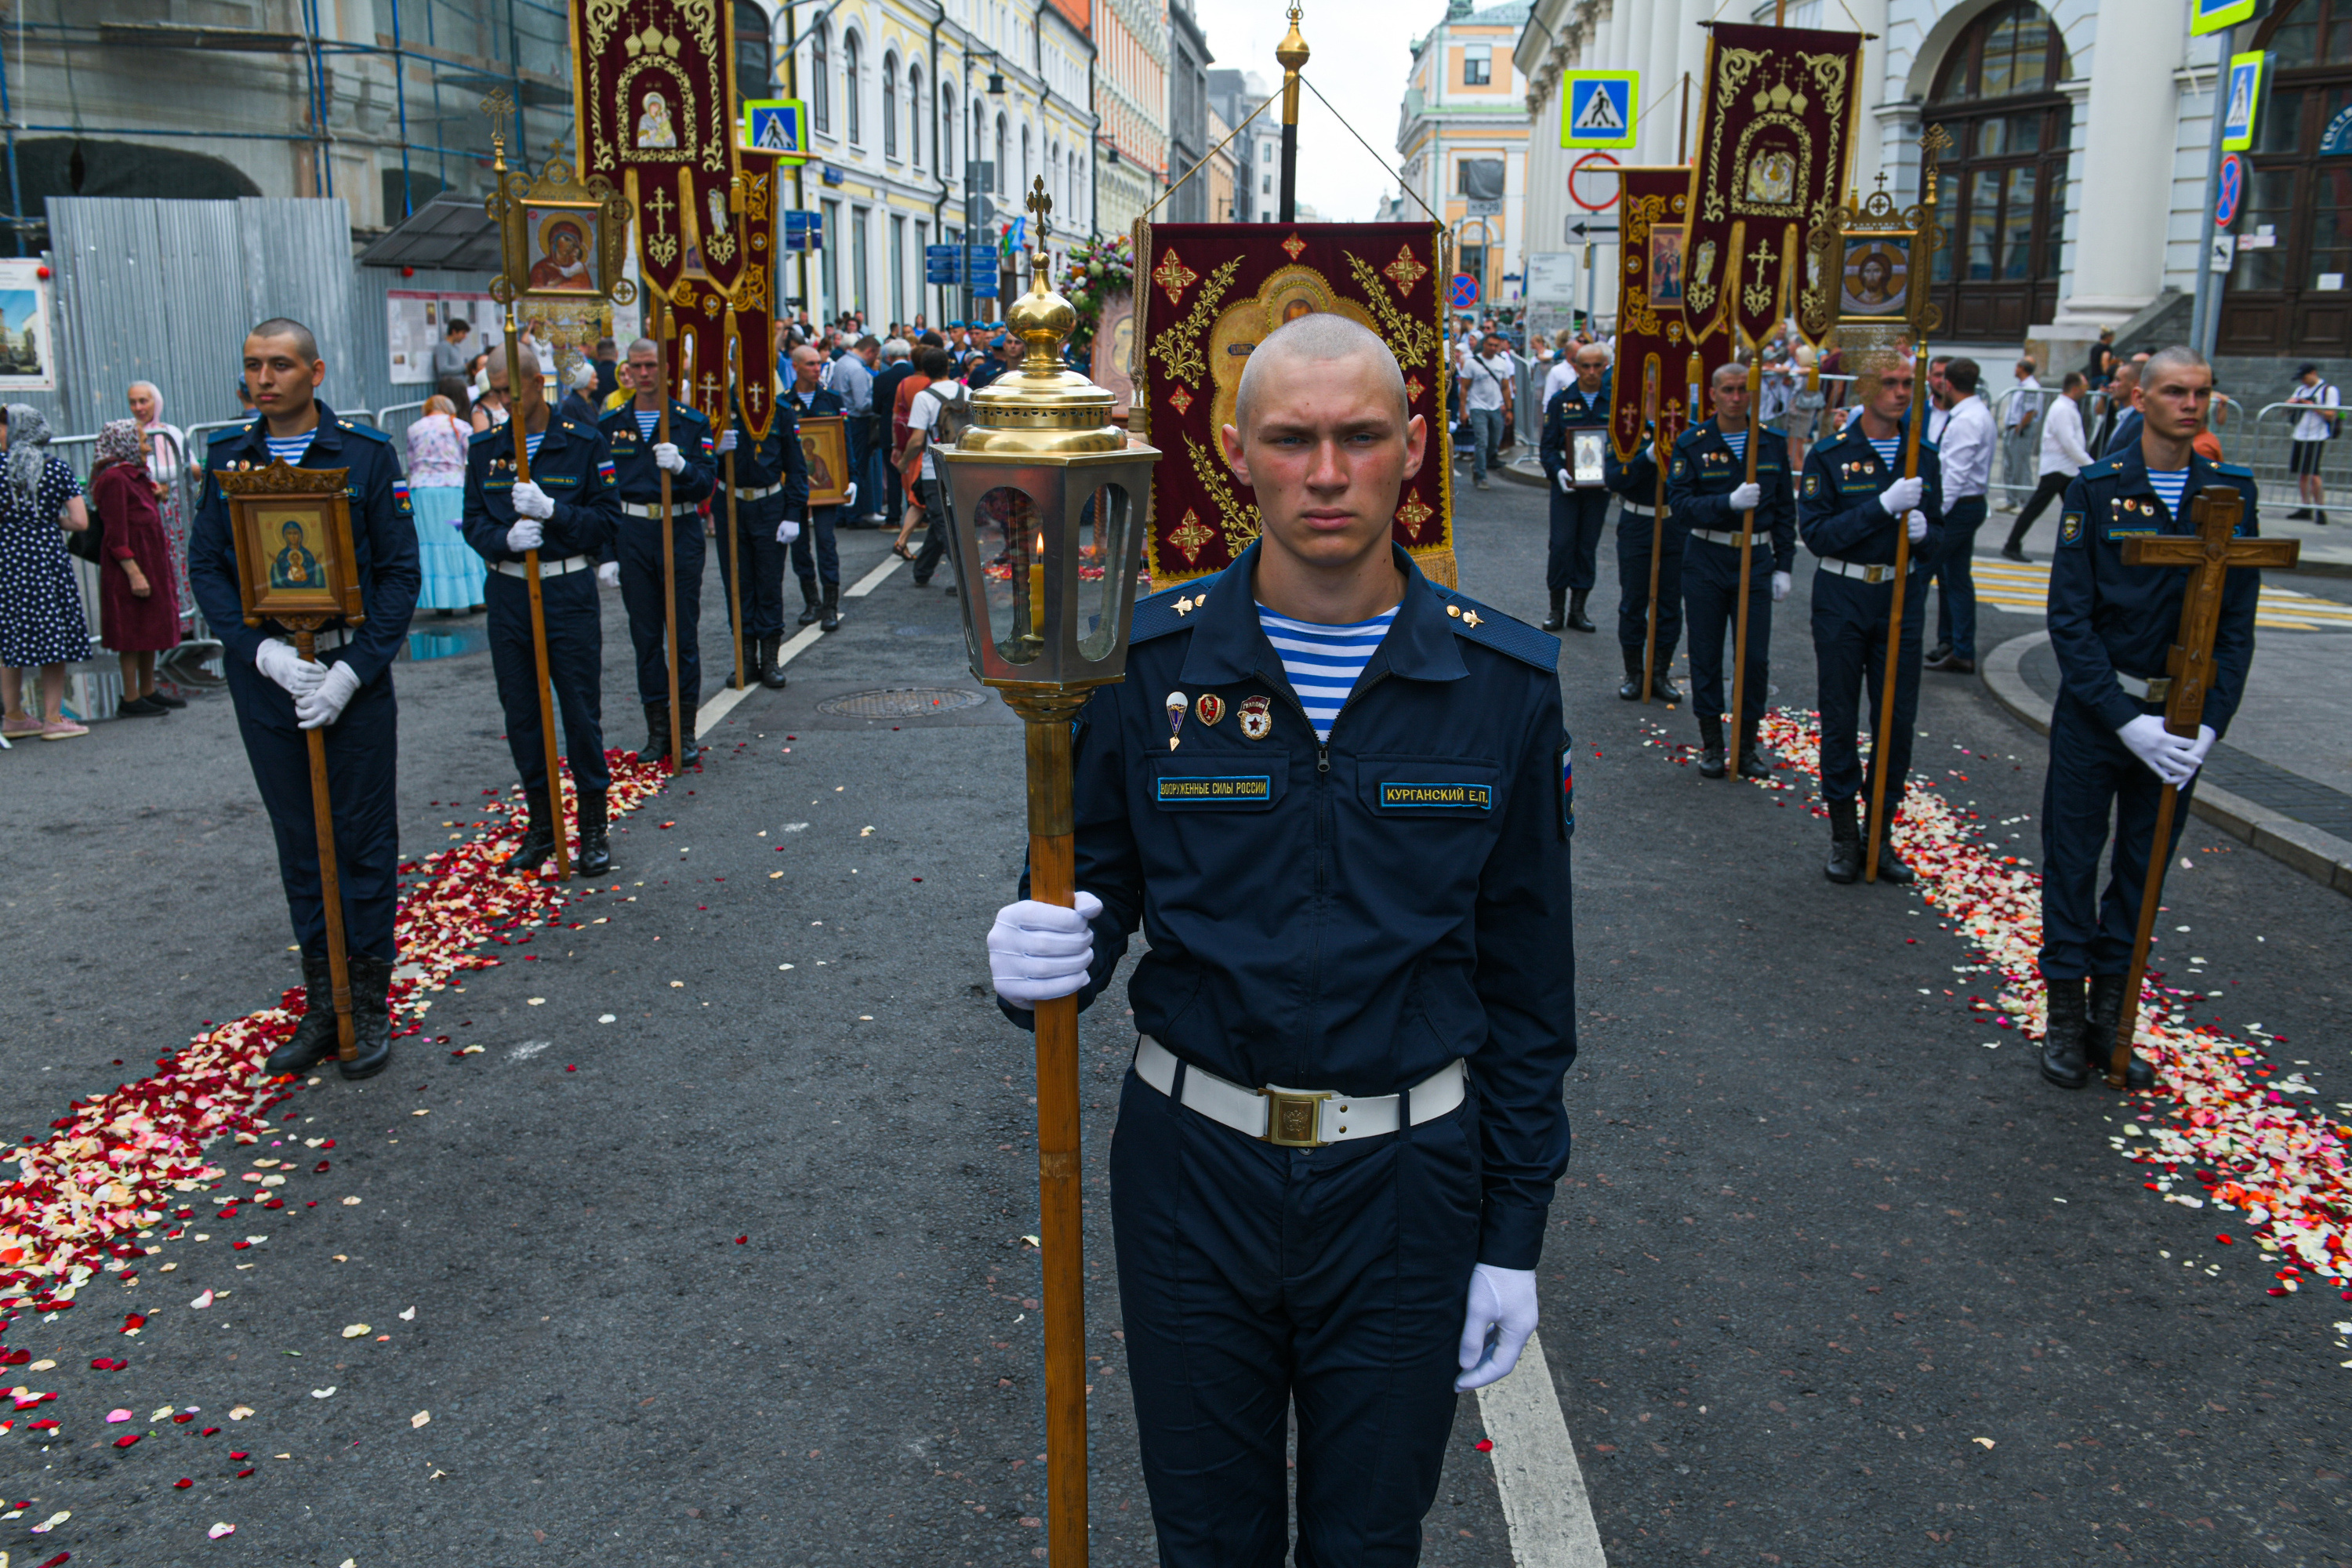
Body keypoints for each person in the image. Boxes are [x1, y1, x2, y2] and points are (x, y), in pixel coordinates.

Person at [983, 313, 1573, 1566]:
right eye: (1293, 438)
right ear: (1230, 450)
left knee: (1370, 1542)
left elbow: (1528, 990)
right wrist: (1039, 952)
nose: (1326, 472)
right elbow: (1090, 885)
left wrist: (1513, 1235)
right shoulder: (1137, 668)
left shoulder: (1501, 688)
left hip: (1409, 1183)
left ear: (1415, 447)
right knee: (1209, 1539)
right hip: (1194, 1171)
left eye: (1360, 437)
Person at [189, 318, 419, 1080]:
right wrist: (260, 652)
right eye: (254, 364)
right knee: (302, 843)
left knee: (362, 839)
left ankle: (369, 999)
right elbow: (210, 568)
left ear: (315, 372)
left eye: (280, 364)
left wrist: (353, 669)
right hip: (270, 684)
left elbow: (397, 574)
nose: (265, 377)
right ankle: (324, 1004)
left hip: (351, 681)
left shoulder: (365, 456)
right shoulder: (228, 459)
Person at [2035, 346, 2259, 1093]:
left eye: (2201, 392)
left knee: (2142, 868)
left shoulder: (2230, 493)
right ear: (2142, 401)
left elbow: (2235, 627)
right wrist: (2125, 719)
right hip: (2102, 714)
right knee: (2073, 861)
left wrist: (2208, 728)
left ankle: (2112, 1017)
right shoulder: (2098, 490)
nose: (2190, 404)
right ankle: (2065, 1017)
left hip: (2182, 721)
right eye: (2174, 392)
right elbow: (2070, 621)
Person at [460, 342, 622, 877]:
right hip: (509, 593)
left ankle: (593, 827)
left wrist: (555, 512)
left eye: (511, 389)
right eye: (495, 393)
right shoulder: (485, 449)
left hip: (565, 589)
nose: (504, 402)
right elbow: (472, 523)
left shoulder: (582, 442)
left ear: (537, 383)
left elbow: (605, 520)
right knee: (523, 716)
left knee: (579, 712)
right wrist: (504, 538)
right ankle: (543, 826)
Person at [1798, 349, 1945, 884]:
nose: (1902, 392)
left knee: (1895, 723)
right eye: (1889, 382)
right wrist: (1881, 507)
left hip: (1900, 599)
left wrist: (1929, 536)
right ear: (1864, 389)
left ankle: (1879, 837)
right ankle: (1843, 835)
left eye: (1909, 382)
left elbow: (1943, 541)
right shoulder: (1831, 453)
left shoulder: (1921, 455)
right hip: (1843, 593)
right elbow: (1816, 536)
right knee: (1840, 717)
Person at [1668, 361, 1796, 778]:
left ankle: (1746, 746)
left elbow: (1785, 514)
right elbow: (1681, 508)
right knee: (1706, 655)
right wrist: (1727, 504)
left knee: (1753, 659)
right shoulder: (1693, 443)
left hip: (1756, 562)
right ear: (1714, 394)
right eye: (1728, 390)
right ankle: (1712, 744)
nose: (1736, 397)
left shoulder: (1771, 444)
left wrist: (1785, 567)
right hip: (1707, 558)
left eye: (1743, 390)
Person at [599, 336, 717, 767]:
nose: (644, 374)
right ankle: (657, 732)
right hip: (632, 532)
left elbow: (707, 483)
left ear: (668, 370)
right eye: (637, 366)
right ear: (627, 371)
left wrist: (683, 468)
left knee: (682, 635)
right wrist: (607, 552)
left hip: (679, 528)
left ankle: (685, 731)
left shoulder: (691, 422)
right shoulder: (610, 423)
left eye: (652, 365)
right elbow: (601, 492)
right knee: (645, 638)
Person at [0, 405, 94, 742]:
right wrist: (48, 521)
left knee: (10, 635)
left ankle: (13, 716)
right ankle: (53, 717)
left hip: (8, 562)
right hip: (46, 561)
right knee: (53, 634)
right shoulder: (55, 469)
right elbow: (81, 521)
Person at [711, 376, 808, 689]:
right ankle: (744, 660)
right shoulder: (717, 408)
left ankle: (769, 660)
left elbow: (796, 467)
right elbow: (697, 467)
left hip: (769, 504)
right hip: (731, 503)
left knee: (768, 582)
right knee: (737, 584)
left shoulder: (779, 410)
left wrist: (793, 514)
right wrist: (713, 451)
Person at [89, 419, 182, 717]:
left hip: (150, 559)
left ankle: (147, 690)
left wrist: (155, 495)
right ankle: (130, 697)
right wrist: (134, 572)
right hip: (131, 564)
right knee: (131, 631)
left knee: (150, 626)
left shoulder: (135, 475)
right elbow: (116, 532)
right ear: (124, 442)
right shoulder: (114, 479)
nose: (146, 447)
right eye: (142, 441)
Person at [1924, 358, 1994, 676]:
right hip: (1968, 504)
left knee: (1923, 569)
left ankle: (1951, 646)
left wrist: (1934, 516)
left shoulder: (1966, 419)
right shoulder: (1974, 413)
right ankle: (1956, 645)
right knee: (1956, 578)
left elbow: (1954, 474)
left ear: (1947, 384)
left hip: (1959, 507)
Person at [1606, 419, 1685, 703]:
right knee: (1634, 601)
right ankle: (1634, 674)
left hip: (1674, 522)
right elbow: (1614, 479)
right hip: (1638, 522)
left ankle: (1660, 673)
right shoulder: (1626, 425)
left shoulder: (1685, 426)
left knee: (1670, 603)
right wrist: (1646, 458)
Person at [1537, 343, 1612, 631]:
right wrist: (1558, 473)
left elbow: (1623, 447)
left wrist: (1614, 473)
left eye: (1598, 366)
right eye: (1586, 366)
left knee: (1587, 546)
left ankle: (1578, 610)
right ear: (1575, 367)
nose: (1592, 372)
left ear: (1605, 367)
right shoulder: (1561, 401)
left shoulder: (1616, 402)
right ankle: (1556, 609)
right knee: (1561, 544)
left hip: (1599, 489)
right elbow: (1548, 448)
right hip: (1567, 487)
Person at [784, 343, 853, 630]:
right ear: (796, 366)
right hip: (794, 488)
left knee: (826, 542)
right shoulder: (784, 403)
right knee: (799, 546)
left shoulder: (832, 400)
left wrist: (853, 478)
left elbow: (844, 442)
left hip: (828, 487)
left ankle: (830, 605)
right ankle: (811, 601)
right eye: (810, 364)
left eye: (818, 364)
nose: (817, 368)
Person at [404, 394, 484, 614]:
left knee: (431, 545)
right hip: (452, 488)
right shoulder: (459, 426)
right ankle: (475, 598)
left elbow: (411, 463)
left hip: (423, 491)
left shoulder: (414, 428)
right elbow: (474, 458)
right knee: (461, 541)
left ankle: (442, 601)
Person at [126, 380, 196, 633]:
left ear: (156, 402)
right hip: (147, 513)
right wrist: (172, 474)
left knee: (182, 562)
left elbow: (192, 467)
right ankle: (163, 623)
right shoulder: (128, 435)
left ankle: (187, 622)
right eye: (133, 402)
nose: (138, 407)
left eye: (143, 401)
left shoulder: (171, 432)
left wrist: (162, 478)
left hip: (176, 513)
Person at [2002, 371, 2092, 561]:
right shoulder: (2062, 409)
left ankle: (2081, 548)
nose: (2087, 390)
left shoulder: (2066, 407)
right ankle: (2012, 544)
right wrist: (2088, 463)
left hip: (2066, 468)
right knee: (2038, 508)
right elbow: (2068, 441)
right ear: (2075, 388)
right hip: (2059, 469)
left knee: (2077, 510)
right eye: (2084, 386)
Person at [901, 347, 970, 589]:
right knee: (943, 519)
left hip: (935, 470)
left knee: (943, 524)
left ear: (923, 370)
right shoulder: (967, 391)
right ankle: (923, 570)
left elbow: (918, 440)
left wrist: (903, 462)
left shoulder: (924, 397)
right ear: (949, 367)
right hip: (963, 467)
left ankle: (966, 581)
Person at [828, 334, 880, 523]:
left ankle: (844, 512)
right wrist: (878, 403)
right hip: (858, 422)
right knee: (858, 467)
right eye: (875, 355)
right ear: (870, 351)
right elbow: (862, 404)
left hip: (846, 419)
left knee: (848, 465)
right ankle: (854, 514)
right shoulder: (857, 369)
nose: (875, 360)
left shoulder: (842, 361)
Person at [870, 337, 917, 534]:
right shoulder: (914, 375)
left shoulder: (881, 378)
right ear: (907, 356)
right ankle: (918, 515)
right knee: (915, 473)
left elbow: (876, 408)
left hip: (890, 431)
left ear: (888, 358)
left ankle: (893, 517)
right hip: (915, 430)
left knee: (893, 474)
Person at [1459, 330, 1516, 492]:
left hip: (1495, 408)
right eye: (1490, 344)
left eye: (1496, 345)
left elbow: (1506, 388)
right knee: (1482, 441)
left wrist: (1509, 409)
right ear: (1483, 344)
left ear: (1500, 347)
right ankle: (1482, 476)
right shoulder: (1472, 363)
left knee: (1494, 442)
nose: (1492, 348)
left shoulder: (1501, 363)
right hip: (1478, 408)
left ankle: (1478, 465)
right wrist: (1463, 410)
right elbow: (1464, 388)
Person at [2285, 363, 2338, 525]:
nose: (2303, 380)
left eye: (2305, 377)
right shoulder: (2301, 390)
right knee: (2302, 473)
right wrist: (2292, 403)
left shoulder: (2328, 390)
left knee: (2314, 474)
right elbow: (2286, 407)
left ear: (2313, 373)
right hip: (2300, 434)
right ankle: (2305, 506)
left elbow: (2331, 414)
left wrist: (2312, 406)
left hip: (2316, 436)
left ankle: (2320, 509)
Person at [1999, 358, 2042, 506]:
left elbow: (2031, 411)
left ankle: (2025, 502)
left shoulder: (2031, 386)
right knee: (2010, 467)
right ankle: (2011, 500)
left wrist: (2020, 426)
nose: (2015, 369)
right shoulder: (2022, 385)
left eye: (2017, 366)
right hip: (2014, 429)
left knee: (2021, 467)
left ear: (2022, 368)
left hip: (2022, 430)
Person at [557, 360, 601, 428]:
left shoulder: (591, 402)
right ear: (584, 379)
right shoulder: (571, 406)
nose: (597, 381)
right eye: (594, 378)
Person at [431, 318, 472, 385]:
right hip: (450, 386)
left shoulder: (456, 348)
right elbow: (442, 368)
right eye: (463, 333)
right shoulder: (443, 346)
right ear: (454, 332)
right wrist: (464, 367)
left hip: (460, 385)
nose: (465, 337)